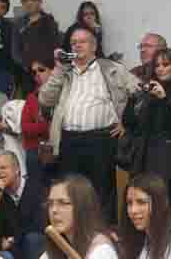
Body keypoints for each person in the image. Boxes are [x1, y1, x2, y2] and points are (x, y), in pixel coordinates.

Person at [39, 26, 136, 218]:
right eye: (73, 42)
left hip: (100, 140)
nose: (77, 45)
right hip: (69, 140)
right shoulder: (64, 72)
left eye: (82, 42)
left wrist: (128, 123)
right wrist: (58, 69)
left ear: (94, 46)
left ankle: (103, 240)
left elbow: (139, 95)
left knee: (101, 195)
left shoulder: (112, 69)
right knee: (71, 194)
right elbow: (45, 100)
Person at [124, 48, 171, 213]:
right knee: (142, 211)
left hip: (168, 165)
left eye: (165, 64)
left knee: (165, 212)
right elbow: (130, 124)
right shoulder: (148, 92)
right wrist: (131, 100)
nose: (160, 69)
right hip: (143, 162)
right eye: (157, 65)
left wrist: (163, 100)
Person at [0, 150, 46, 259]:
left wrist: (12, 240)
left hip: (35, 245)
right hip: (11, 249)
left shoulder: (36, 189)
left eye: (3, 168)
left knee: (33, 239)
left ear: (17, 170)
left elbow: (39, 225)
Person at [13, 0, 61, 93]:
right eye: (25, 1)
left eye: (33, 0)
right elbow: (15, 51)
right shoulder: (18, 24)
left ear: (40, 2)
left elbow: (55, 47)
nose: (29, 3)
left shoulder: (49, 22)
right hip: (27, 72)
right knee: (30, 104)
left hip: (47, 71)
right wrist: (28, 65)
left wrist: (44, 67)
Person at [20, 58, 56, 186]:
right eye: (34, 72)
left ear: (54, 70)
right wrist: (48, 126)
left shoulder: (64, 93)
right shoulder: (32, 97)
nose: (37, 74)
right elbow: (25, 128)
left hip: (61, 148)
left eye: (41, 70)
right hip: (37, 150)